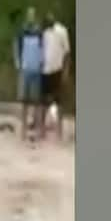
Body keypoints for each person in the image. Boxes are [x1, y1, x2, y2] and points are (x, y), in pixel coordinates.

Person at [15, 8, 45, 143]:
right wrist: (18, 64)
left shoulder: (40, 32)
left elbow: (44, 48)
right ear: (27, 17)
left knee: (37, 102)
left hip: (36, 70)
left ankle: (37, 131)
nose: (31, 17)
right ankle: (23, 131)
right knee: (24, 102)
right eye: (29, 15)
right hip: (25, 69)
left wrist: (42, 64)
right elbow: (16, 47)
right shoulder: (22, 31)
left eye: (33, 15)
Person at [41, 10, 71, 143]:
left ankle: (59, 131)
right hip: (45, 69)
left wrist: (66, 71)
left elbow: (67, 53)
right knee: (43, 101)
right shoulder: (44, 32)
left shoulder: (62, 31)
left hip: (57, 69)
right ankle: (42, 130)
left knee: (58, 101)